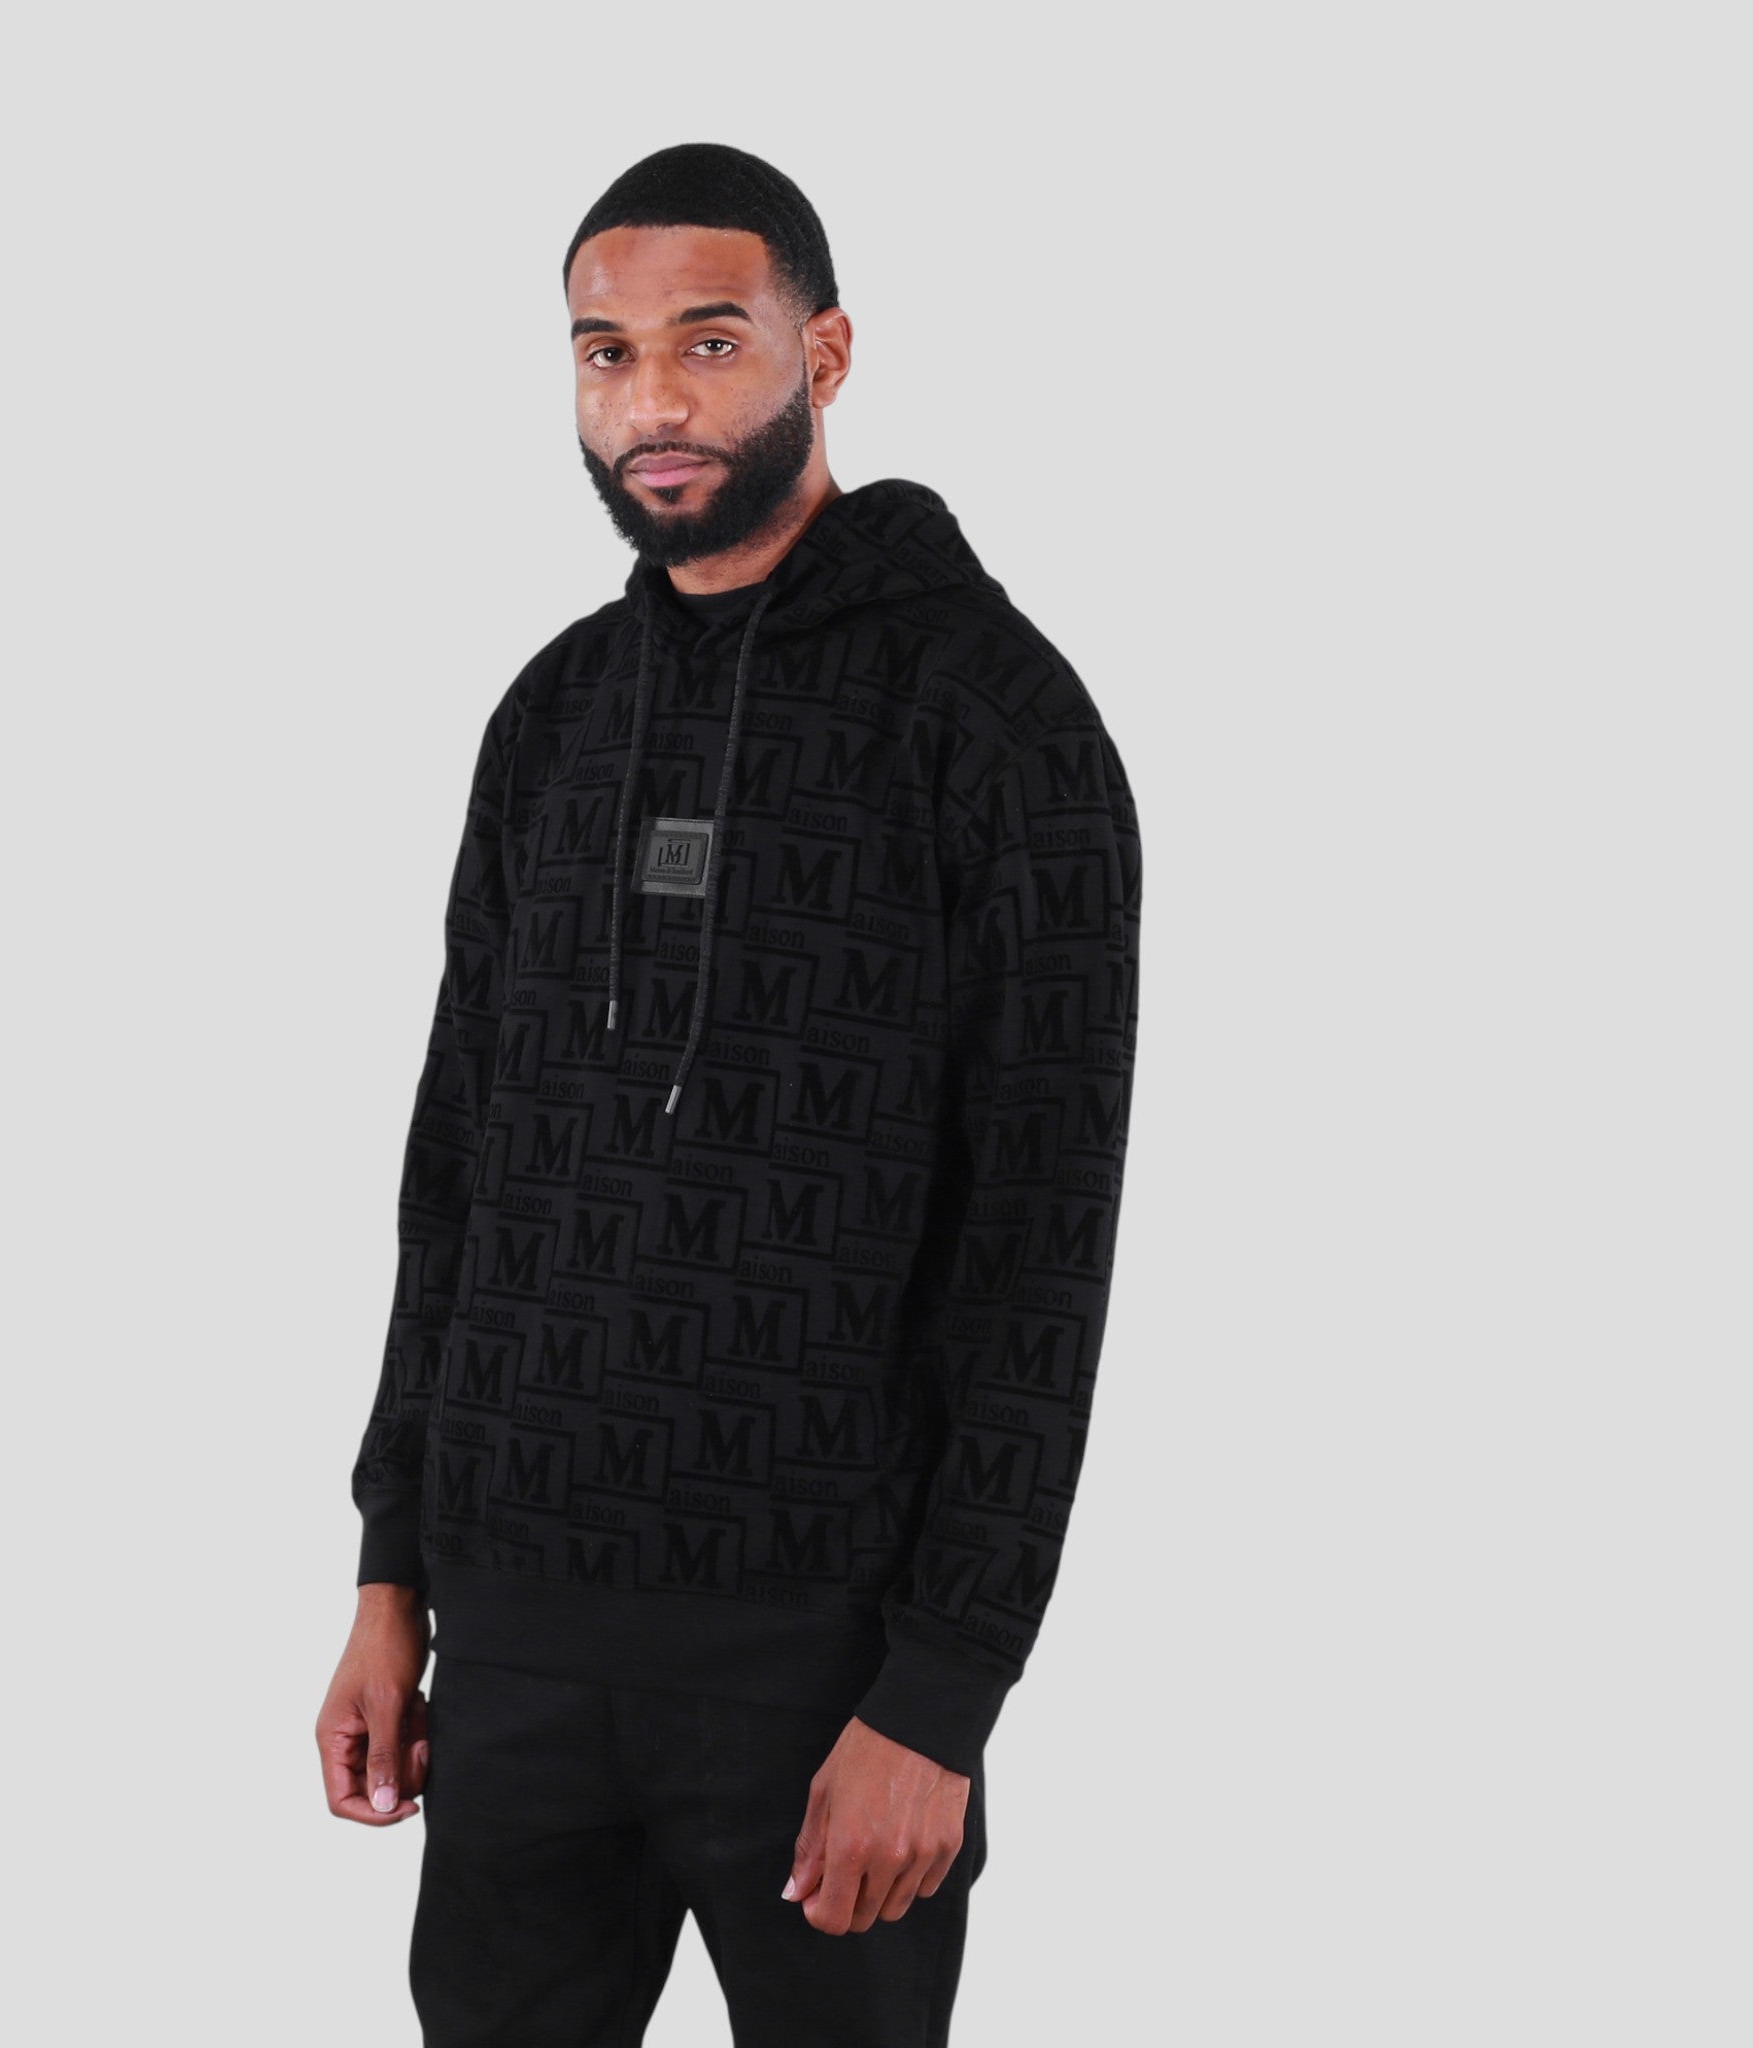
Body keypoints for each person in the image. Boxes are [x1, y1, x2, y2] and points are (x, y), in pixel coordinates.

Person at [316, 141, 1143, 2048]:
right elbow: (458, 1170)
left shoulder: (998, 723)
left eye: (709, 341)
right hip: (514, 1651)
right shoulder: (553, 716)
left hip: (824, 1678)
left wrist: (941, 1699)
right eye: (604, 353)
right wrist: (391, 1571)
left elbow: (1043, 1243)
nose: (653, 403)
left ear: (824, 354)